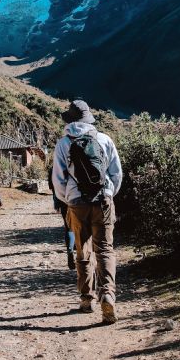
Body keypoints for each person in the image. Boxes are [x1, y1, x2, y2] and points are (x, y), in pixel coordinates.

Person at [52, 99, 123, 324]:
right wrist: (108, 194)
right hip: (102, 201)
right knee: (105, 250)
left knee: (82, 250)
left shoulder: (63, 144)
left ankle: (86, 298)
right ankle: (108, 295)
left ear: (70, 120)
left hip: (76, 204)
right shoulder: (104, 139)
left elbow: (58, 180)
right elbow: (116, 174)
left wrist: (70, 199)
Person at [48, 172, 77, 270]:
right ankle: (82, 254)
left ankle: (70, 251)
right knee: (82, 226)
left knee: (69, 228)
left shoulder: (58, 162)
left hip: (64, 200)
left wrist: (57, 203)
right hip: (81, 198)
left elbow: (55, 186)